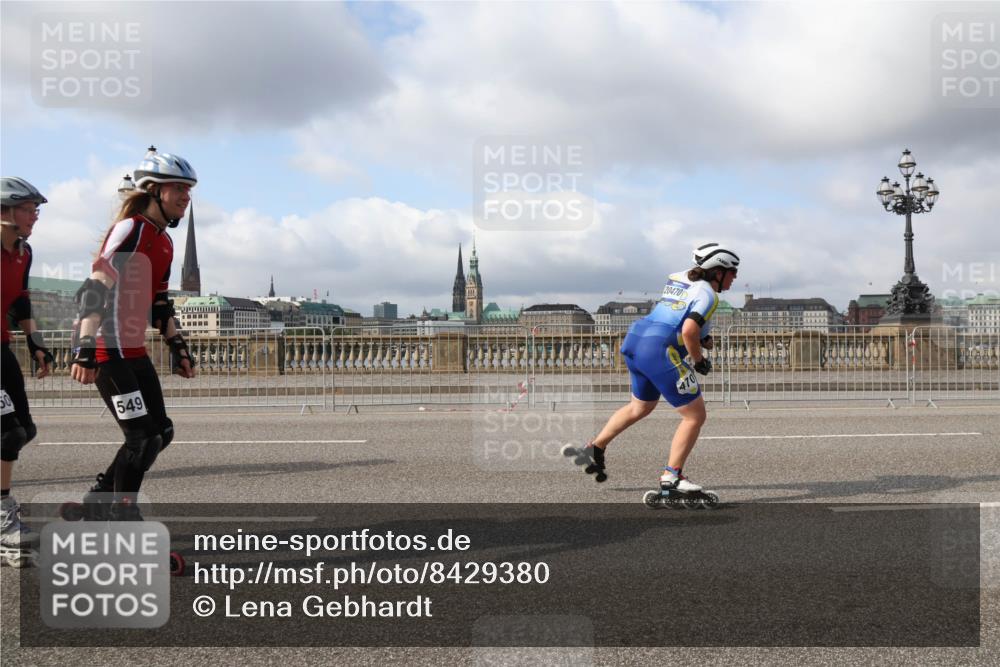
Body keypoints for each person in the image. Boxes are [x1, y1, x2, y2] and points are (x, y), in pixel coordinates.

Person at [69, 148, 197, 520]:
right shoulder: (132, 229)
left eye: (189, 191)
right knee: (142, 438)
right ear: (154, 190)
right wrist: (85, 348)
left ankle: (98, 500)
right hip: (107, 348)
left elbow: (159, 303)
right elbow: (96, 284)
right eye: (179, 190)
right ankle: (121, 515)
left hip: (133, 349)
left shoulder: (164, 242)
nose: (186, 198)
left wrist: (178, 348)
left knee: (161, 431)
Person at [567, 243, 739, 495]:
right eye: (733, 271)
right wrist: (699, 359)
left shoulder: (679, 278)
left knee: (640, 406)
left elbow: (680, 313)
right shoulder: (710, 296)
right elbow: (689, 330)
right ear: (718, 271)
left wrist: (701, 338)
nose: (735, 277)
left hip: (635, 340)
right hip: (659, 350)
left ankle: (595, 448)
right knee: (695, 416)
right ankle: (672, 476)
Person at [1, 177, 53, 550]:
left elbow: (19, 300)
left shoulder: (24, 251)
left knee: (25, 429)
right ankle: (4, 520)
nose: (35, 215)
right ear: (4, 211)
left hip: (2, 347)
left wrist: (36, 343)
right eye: (29, 208)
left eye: (37, 209)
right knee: (8, 434)